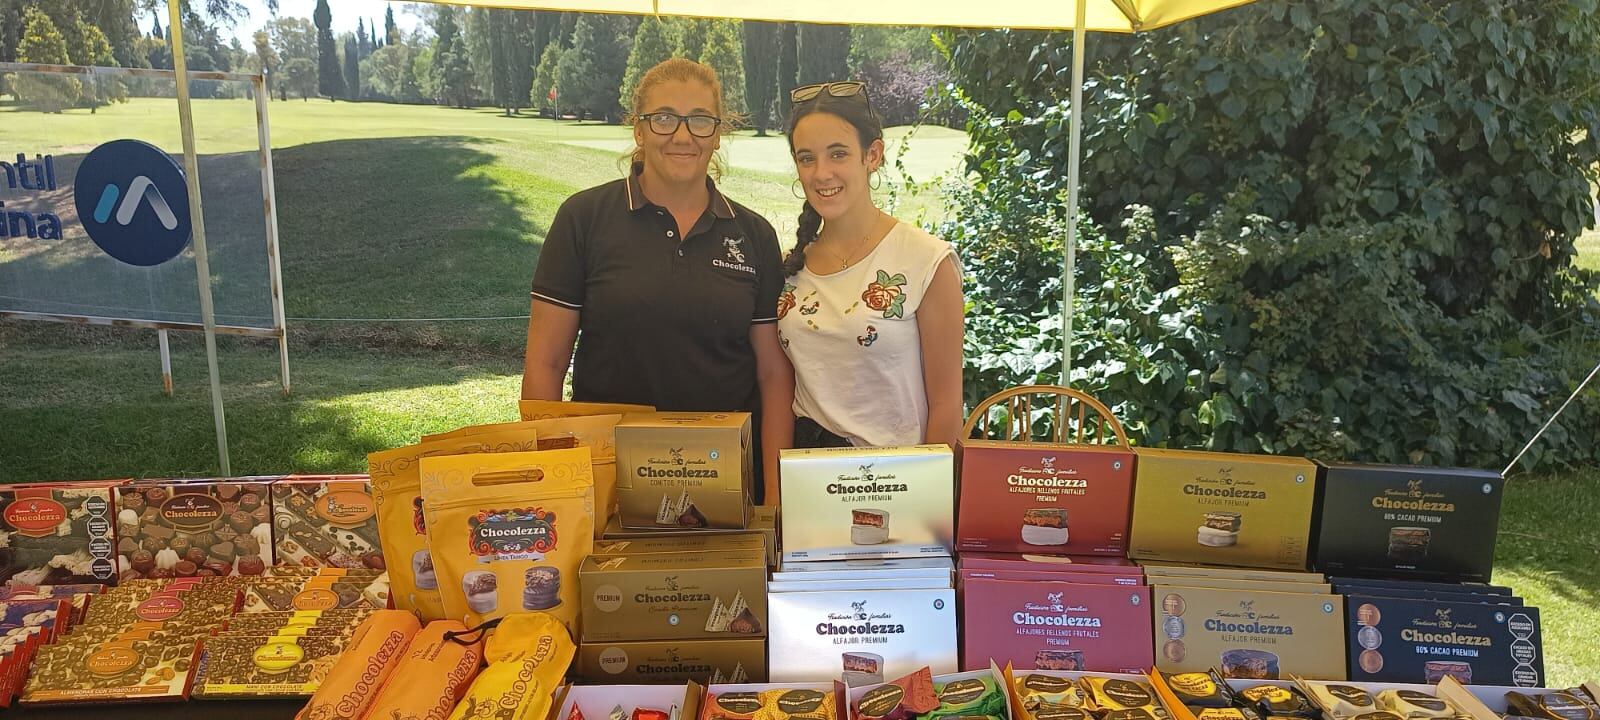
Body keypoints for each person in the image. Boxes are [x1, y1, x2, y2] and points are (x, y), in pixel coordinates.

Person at [522, 58, 793, 500]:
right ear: (638, 129)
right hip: (607, 482)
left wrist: (777, 498)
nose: (682, 136)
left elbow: (772, 375)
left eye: (700, 120)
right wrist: (549, 484)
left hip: (724, 485)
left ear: (718, 133)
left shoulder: (753, 234)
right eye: (664, 118)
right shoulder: (584, 219)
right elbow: (545, 365)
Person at [776, 81, 965, 465]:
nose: (821, 172)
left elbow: (946, 405)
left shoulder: (927, 262)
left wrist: (926, 505)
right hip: (811, 487)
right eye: (807, 158)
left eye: (838, 154)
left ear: (872, 155)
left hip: (896, 489)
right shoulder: (791, 269)